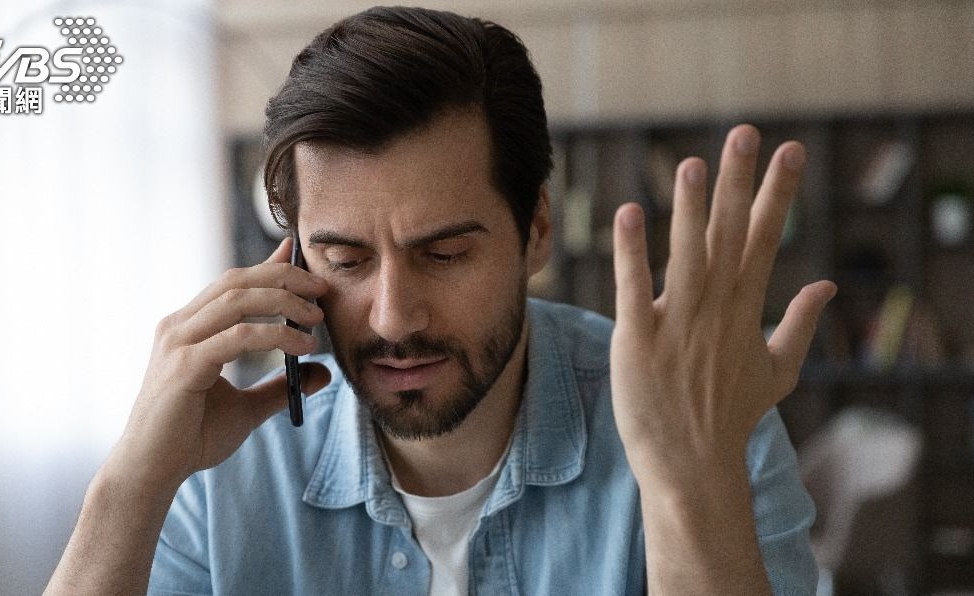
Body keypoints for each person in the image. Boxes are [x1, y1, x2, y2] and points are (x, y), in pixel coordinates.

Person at [46, 6, 836, 595]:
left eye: (445, 252)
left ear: (535, 233)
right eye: (345, 258)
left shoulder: (693, 421)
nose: (392, 317)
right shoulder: (224, 470)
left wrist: (685, 489)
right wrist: (130, 487)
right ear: (292, 258)